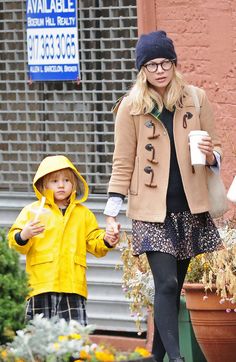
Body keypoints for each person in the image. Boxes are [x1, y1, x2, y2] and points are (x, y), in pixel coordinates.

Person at [104, 30, 223, 362]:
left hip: (189, 208)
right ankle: (177, 358)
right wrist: (113, 209)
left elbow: (216, 147)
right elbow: (122, 160)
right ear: (142, 69)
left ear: (174, 63)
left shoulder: (196, 98)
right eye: (152, 64)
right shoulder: (131, 107)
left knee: (172, 289)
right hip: (150, 211)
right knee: (167, 284)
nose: (160, 70)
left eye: (165, 62)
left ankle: (155, 357)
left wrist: (212, 156)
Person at [8, 155, 119, 324]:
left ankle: (73, 352)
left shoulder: (83, 214)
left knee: (73, 333)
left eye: (67, 180)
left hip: (73, 284)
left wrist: (107, 239)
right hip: (41, 284)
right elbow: (14, 242)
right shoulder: (33, 211)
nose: (61, 185)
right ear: (43, 184)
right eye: (54, 181)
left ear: (74, 184)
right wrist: (24, 234)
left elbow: (94, 241)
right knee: (40, 334)